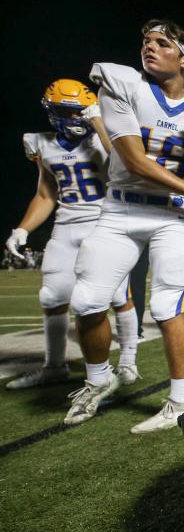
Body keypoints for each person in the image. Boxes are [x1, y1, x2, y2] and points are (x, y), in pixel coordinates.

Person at [67, 19, 184, 431]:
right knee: (87, 301)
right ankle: (98, 380)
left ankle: (182, 401)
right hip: (122, 209)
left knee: (166, 306)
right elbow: (134, 161)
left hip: (172, 216)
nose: (149, 47)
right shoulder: (124, 84)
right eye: (146, 41)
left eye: (162, 43)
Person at [5, 79, 140, 390]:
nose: (78, 118)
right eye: (71, 112)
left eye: (82, 112)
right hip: (66, 226)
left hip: (106, 224)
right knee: (52, 297)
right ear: (53, 113)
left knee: (119, 297)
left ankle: (129, 362)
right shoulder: (43, 143)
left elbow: (123, 162)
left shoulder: (104, 137)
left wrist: (97, 120)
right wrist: (23, 229)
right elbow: (46, 193)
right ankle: (54, 366)